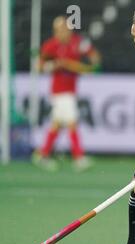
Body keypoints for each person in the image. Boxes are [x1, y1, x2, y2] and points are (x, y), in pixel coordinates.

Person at [32, 16, 101, 172]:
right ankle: (79, 157)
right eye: (62, 29)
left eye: (67, 28)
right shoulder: (51, 45)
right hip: (59, 91)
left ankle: (42, 154)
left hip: (70, 89)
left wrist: (90, 63)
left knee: (57, 124)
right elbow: (39, 66)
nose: (65, 31)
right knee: (71, 122)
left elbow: (94, 56)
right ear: (56, 31)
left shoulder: (77, 42)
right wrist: (55, 65)